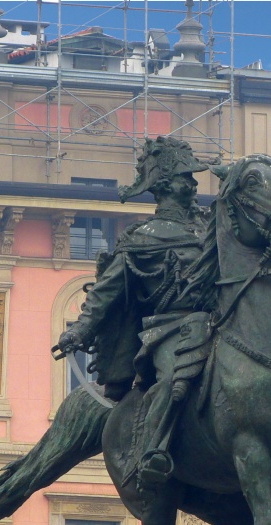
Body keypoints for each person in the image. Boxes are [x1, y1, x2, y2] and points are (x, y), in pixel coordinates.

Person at [56, 136, 215, 486]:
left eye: (192, 176)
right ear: (166, 186)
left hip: (219, 323)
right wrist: (80, 330)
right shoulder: (142, 238)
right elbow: (106, 291)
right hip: (170, 329)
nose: (193, 182)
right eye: (185, 176)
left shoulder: (208, 228)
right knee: (174, 379)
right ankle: (153, 451)